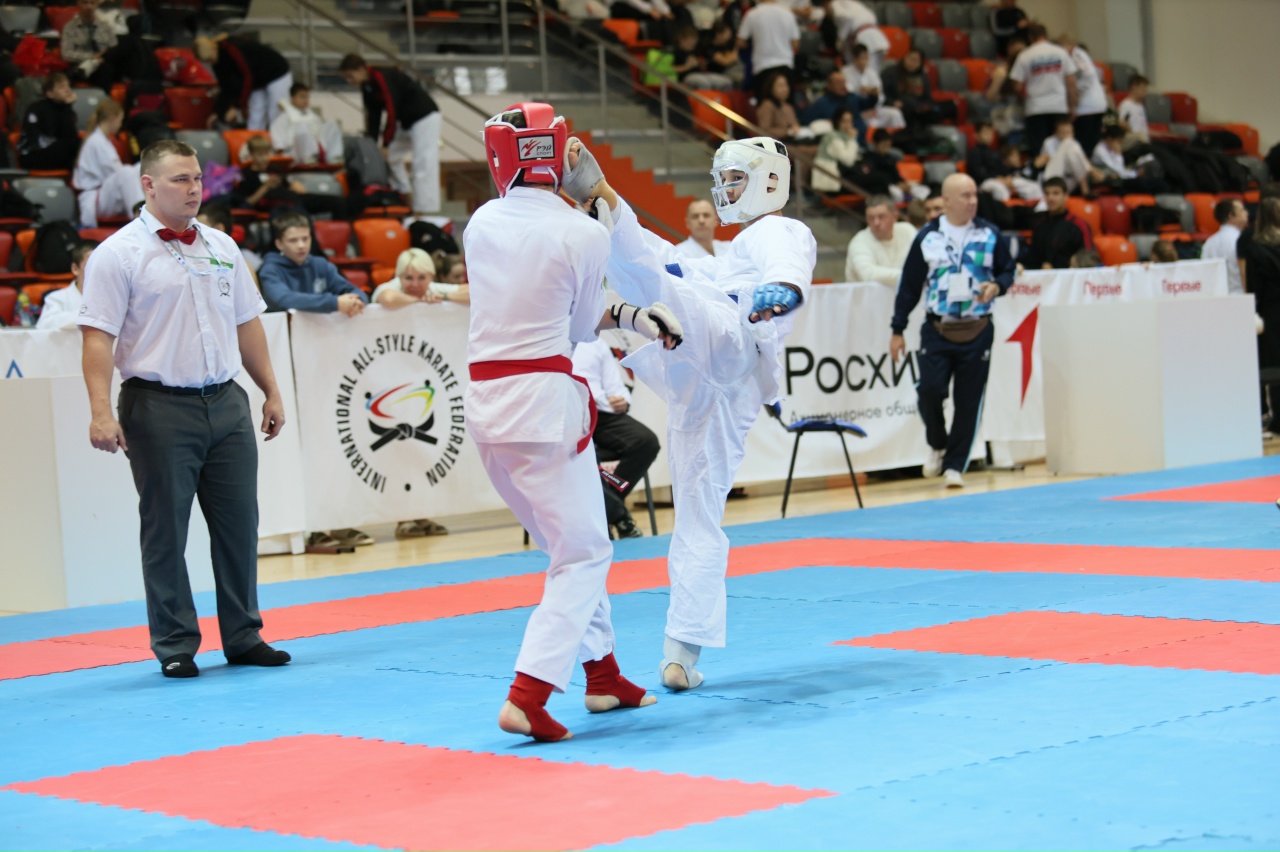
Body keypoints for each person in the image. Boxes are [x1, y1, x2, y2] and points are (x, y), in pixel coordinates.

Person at [465, 102, 681, 742]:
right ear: (559, 154)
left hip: (488, 407)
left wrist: (637, 317)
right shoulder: (580, 233)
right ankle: (528, 694)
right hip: (542, 405)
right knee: (585, 553)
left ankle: (603, 676)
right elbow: (583, 325)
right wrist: (595, 216)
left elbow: (552, 302)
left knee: (569, 548)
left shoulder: (481, 223)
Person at [571, 134, 816, 692]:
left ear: (769, 181)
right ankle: (681, 653)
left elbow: (786, 260)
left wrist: (782, 287)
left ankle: (603, 196)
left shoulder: (776, 230)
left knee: (659, 277)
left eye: (735, 180)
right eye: (721, 181)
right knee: (697, 514)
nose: (725, 191)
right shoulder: (729, 255)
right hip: (704, 378)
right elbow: (682, 269)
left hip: (730, 336)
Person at [78, 139, 291, 678]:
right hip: (157, 406)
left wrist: (270, 389)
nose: (194, 188)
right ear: (148, 185)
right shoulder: (117, 255)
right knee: (166, 531)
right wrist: (101, 411)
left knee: (240, 525)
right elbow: (97, 337)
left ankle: (244, 635)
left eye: (197, 178)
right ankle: (174, 642)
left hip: (226, 401)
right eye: (180, 179)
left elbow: (247, 323)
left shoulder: (222, 244)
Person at [890, 173, 1016, 488]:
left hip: (978, 328)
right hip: (938, 328)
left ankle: (954, 466)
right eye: (965, 196)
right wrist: (897, 328)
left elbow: (1008, 270)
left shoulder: (989, 233)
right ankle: (937, 442)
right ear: (946, 201)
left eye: (974, 195)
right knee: (929, 391)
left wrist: (997, 286)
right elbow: (909, 286)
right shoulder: (928, 237)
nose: (972, 201)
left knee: (969, 401)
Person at [571, 337, 661, 539]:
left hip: (602, 413)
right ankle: (619, 516)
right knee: (585, 456)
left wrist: (622, 400)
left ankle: (604, 509)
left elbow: (614, 385)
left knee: (646, 442)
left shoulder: (595, 343)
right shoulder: (549, 339)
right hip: (569, 414)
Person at [339, 54, 442, 217]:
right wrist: (373, 143)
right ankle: (404, 194)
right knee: (391, 157)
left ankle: (425, 209)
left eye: (351, 76)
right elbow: (373, 116)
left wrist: (386, 143)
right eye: (346, 78)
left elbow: (392, 109)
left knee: (423, 162)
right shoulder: (367, 86)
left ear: (362, 69)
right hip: (406, 121)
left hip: (425, 116)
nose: (349, 81)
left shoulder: (382, 76)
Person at [233, 135, 346, 220]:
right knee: (301, 214)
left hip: (296, 198)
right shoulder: (246, 174)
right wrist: (266, 187)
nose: (265, 158)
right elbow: (248, 202)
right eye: (260, 155)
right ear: (251, 154)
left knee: (338, 202)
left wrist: (294, 184)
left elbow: (288, 185)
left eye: (267, 154)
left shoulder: (273, 170)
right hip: (281, 206)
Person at [194, 35, 293, 131]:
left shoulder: (232, 49)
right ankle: (253, 140)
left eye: (210, 59)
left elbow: (247, 78)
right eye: (206, 61)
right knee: (255, 113)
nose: (209, 63)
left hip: (277, 73)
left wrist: (236, 107)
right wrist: (218, 112)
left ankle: (280, 141)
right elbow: (226, 87)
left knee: (276, 113)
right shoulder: (216, 61)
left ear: (214, 49)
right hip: (258, 78)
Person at [1240, 198, 1280, 432]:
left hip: (1270, 312)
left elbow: (1253, 286)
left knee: (1273, 367)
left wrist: (1254, 309)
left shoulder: (1254, 247)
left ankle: (1276, 418)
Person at [1009, 24, 1077, 159]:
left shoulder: (1025, 55)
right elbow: (1071, 82)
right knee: (1061, 148)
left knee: (1039, 151)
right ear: (1046, 35)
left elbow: (1017, 85)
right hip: (1059, 106)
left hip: (1036, 108)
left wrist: (1022, 99)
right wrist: (1072, 106)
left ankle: (1041, 171)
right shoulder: (1060, 52)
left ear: (1030, 37)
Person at [74, 99, 126, 228]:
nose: (120, 125)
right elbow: (116, 174)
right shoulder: (97, 142)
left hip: (103, 194)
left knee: (133, 172)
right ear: (113, 118)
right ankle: (141, 218)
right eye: (120, 120)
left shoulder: (103, 141)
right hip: (95, 198)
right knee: (129, 173)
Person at [845, 195, 917, 286]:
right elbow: (867, 274)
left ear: (895, 217)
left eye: (881, 217)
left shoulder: (907, 230)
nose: (876, 223)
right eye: (871, 218)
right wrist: (908, 275)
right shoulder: (859, 241)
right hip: (867, 294)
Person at [1024, 177, 1094, 270]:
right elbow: (1033, 257)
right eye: (1047, 194)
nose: (1050, 198)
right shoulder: (1039, 223)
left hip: (1070, 275)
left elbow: (1089, 257)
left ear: (1065, 196)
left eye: (1056, 193)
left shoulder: (1079, 225)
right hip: (1041, 276)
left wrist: (1066, 267)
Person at [737, 0, 800, 99]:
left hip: (762, 66)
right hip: (785, 64)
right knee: (786, 105)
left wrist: (753, 45)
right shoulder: (787, 13)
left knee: (765, 104)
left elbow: (740, 42)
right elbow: (796, 43)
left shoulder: (752, 14)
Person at [269, 82, 344, 166]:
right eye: (302, 97)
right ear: (292, 98)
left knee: (332, 124)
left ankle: (334, 157)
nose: (306, 100)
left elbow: (321, 134)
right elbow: (279, 145)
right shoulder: (283, 118)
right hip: (295, 153)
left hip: (317, 150)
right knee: (303, 126)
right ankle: (309, 157)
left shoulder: (312, 116)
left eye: (307, 97)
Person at [18, 73, 79, 171]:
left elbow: (69, 134)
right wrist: (67, 107)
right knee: (74, 145)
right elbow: (52, 132)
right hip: (34, 154)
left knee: (81, 144)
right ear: (49, 93)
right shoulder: (38, 109)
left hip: (55, 151)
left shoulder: (64, 108)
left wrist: (67, 107)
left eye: (68, 86)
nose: (67, 90)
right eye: (61, 87)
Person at [1058, 33, 1107, 155]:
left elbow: (1088, 75)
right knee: (1092, 145)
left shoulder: (1077, 55)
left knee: (1085, 146)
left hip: (1087, 108)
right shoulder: (1080, 55)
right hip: (1095, 105)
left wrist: (1075, 92)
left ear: (1070, 45)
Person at [37, 240, 98, 330]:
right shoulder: (56, 298)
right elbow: (45, 325)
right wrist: (91, 313)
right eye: (90, 265)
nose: (97, 271)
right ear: (75, 268)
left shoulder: (113, 297)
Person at [841, 43, 905, 130]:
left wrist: (873, 95)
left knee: (895, 114)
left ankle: (901, 136)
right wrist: (865, 91)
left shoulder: (872, 73)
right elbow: (849, 94)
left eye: (865, 58)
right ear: (854, 59)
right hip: (857, 111)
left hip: (875, 109)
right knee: (870, 122)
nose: (863, 62)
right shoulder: (845, 72)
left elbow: (880, 95)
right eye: (860, 58)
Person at [1037, 118, 1105, 195]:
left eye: (1069, 132)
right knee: (1068, 143)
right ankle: (1086, 184)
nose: (1067, 135)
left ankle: (1086, 183)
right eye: (1063, 132)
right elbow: (1046, 162)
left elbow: (1081, 160)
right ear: (1056, 133)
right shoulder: (1049, 142)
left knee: (1071, 145)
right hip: (1052, 178)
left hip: (1070, 179)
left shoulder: (1074, 143)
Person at [59, 0, 117, 83]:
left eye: (92, 3)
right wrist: (91, 56)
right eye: (85, 3)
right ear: (78, 3)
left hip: (103, 63)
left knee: (109, 66)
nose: (89, 7)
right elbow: (66, 54)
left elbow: (114, 47)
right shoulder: (70, 27)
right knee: (106, 69)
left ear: (97, 5)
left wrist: (103, 57)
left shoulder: (105, 26)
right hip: (81, 65)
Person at [1202, 198, 1249, 295]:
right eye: (1242, 210)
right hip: (1240, 295)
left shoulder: (1209, 242)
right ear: (1231, 216)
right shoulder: (1240, 241)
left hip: (1217, 297)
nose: (1246, 213)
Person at [812, 107, 860, 194]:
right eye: (844, 121)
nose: (847, 125)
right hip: (830, 177)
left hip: (841, 172)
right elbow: (847, 160)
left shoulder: (845, 136)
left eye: (849, 121)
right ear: (837, 121)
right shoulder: (832, 136)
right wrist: (852, 140)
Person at [755, 73, 801, 142]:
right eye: (780, 86)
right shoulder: (767, 105)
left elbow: (795, 125)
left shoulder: (788, 107)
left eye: (786, 85)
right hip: (776, 143)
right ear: (771, 89)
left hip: (794, 140)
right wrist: (787, 132)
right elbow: (764, 130)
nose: (785, 89)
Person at [1118, 75, 1150, 145]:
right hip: (1134, 141)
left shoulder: (1140, 106)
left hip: (1144, 139)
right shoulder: (1127, 105)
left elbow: (1144, 129)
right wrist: (1133, 133)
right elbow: (1122, 123)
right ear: (1134, 88)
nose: (1146, 93)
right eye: (1143, 90)